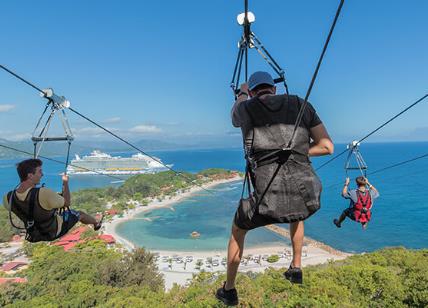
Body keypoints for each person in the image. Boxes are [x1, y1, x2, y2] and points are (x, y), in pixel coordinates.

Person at [216, 71, 334, 306]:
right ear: (275, 89)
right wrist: (297, 150)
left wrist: (240, 92)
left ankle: (229, 289)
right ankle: (296, 267)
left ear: (252, 92)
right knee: (297, 213)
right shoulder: (301, 103)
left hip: (266, 203)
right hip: (308, 197)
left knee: (238, 230)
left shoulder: (246, 107)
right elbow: (327, 146)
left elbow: (233, 115)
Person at [3, 158, 103, 242]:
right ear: (30, 175)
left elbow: (28, 206)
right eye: (40, 171)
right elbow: (67, 202)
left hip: (34, 234)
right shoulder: (43, 193)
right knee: (79, 214)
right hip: (53, 231)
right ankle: (96, 223)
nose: (42, 174)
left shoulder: (8, 198)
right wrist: (65, 183)